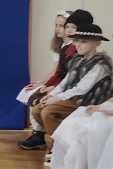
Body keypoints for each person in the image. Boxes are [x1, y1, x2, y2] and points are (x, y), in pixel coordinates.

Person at [27, 24, 113, 153]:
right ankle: (63, 142)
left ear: (97, 43)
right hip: (74, 98)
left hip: (88, 101)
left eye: (83, 42)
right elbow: (65, 82)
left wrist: (57, 98)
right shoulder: (77, 60)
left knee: (48, 112)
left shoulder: (100, 65)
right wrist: (51, 95)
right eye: (76, 41)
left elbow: (82, 88)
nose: (78, 45)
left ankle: (61, 147)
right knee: (36, 110)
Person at [18, 8, 92, 150]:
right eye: (67, 27)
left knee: (46, 110)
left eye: (72, 27)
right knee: (36, 107)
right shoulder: (66, 49)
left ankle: (60, 146)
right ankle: (48, 139)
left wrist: (54, 93)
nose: (68, 30)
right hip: (64, 88)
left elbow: (78, 84)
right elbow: (60, 74)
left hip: (79, 96)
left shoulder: (85, 56)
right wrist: (47, 86)